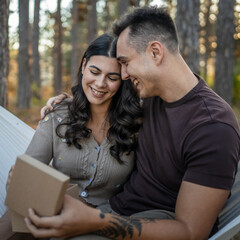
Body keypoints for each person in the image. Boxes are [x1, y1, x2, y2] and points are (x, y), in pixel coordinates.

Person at [25, 6, 240, 240]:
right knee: (27, 223)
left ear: (155, 52)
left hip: (155, 224)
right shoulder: (150, 97)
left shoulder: (213, 127)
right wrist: (68, 102)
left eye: (125, 62)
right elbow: (104, 100)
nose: (124, 74)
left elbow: (190, 232)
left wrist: (94, 222)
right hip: (116, 210)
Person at [0, 33, 142, 240]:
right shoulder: (58, 115)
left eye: (112, 78)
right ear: (84, 66)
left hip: (101, 221)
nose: (101, 83)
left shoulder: (135, 124)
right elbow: (26, 177)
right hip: (47, 209)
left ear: (123, 80)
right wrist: (18, 179)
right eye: (95, 71)